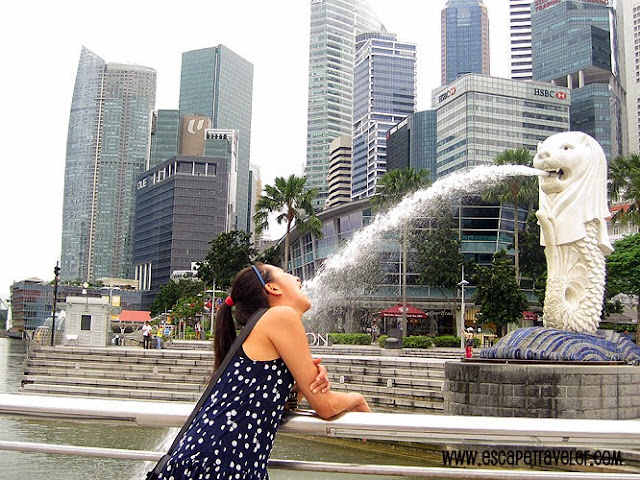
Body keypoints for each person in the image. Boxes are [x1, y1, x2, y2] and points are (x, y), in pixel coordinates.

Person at [156, 264, 370, 479]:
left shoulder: (266, 326)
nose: (297, 278)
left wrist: (298, 383)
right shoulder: (280, 316)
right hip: (218, 466)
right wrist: (357, 399)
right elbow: (326, 406)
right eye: (285, 273)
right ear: (272, 288)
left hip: (219, 463)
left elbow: (279, 405)